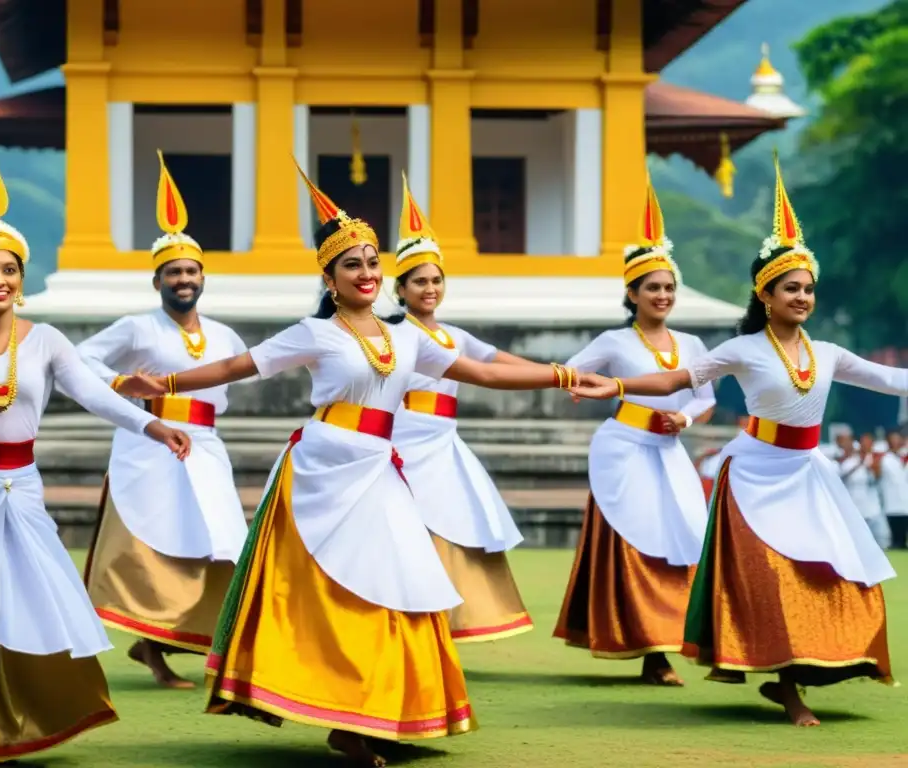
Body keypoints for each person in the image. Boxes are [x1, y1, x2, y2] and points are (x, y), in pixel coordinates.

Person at [128, 163, 590, 767]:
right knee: (330, 593)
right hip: (322, 470)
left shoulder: (408, 339)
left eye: (374, 262)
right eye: (353, 264)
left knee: (399, 582)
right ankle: (343, 716)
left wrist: (565, 375)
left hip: (380, 468)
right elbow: (233, 368)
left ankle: (380, 711)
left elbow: (484, 373)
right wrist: (164, 379)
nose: (367, 273)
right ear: (330, 276)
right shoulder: (314, 334)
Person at [0, 120, 191, 763]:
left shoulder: (46, 340)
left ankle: (13, 720)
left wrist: (150, 421)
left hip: (16, 488)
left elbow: (93, 391)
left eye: (10, 268)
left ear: (21, 279)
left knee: (20, 606)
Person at [569, 154, 905, 727]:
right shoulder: (742, 350)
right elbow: (678, 380)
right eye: (789, 288)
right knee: (773, 577)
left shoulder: (828, 355)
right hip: (753, 475)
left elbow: (891, 377)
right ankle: (788, 685)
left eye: (807, 289)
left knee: (835, 568)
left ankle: (817, 664)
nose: (801, 297)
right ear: (766, 295)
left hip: (808, 472)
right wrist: (618, 383)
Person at [79, 151, 249, 689]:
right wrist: (118, 385)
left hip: (204, 446)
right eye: (173, 272)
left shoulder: (223, 335)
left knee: (216, 543)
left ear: (203, 277)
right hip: (149, 446)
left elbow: (234, 384)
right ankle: (153, 648)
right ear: (157, 282)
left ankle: (195, 641)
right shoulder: (135, 327)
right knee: (155, 546)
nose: (183, 279)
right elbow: (80, 359)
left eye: (191, 270)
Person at [552, 175, 715, 685]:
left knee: (683, 538)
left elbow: (706, 397)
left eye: (669, 287)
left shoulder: (691, 345)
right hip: (624, 449)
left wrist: (684, 418)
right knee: (635, 544)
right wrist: (586, 386)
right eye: (653, 288)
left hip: (669, 450)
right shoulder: (612, 339)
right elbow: (572, 372)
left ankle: (674, 639)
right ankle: (651, 650)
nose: (662, 295)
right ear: (633, 293)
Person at [386, 174, 534, 643]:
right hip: (405, 436)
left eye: (435, 280)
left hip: (443, 439)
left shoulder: (454, 335)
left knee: (455, 520)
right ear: (401, 289)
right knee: (410, 520)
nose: (429, 289)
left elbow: (495, 360)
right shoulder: (395, 334)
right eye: (419, 282)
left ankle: (450, 619)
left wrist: (558, 372)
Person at [839, 432, 889, 549]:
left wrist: (872, 464)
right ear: (860, 444)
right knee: (856, 539)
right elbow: (842, 476)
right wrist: (859, 464)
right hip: (854, 503)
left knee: (880, 539)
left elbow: (878, 476)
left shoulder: (874, 460)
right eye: (864, 443)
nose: (866, 445)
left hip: (872, 505)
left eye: (869, 443)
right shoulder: (851, 460)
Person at [879, 430, 908, 549]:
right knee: (895, 538)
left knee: (903, 540)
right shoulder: (885, 459)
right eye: (893, 440)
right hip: (892, 502)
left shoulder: (904, 457)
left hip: (905, 501)